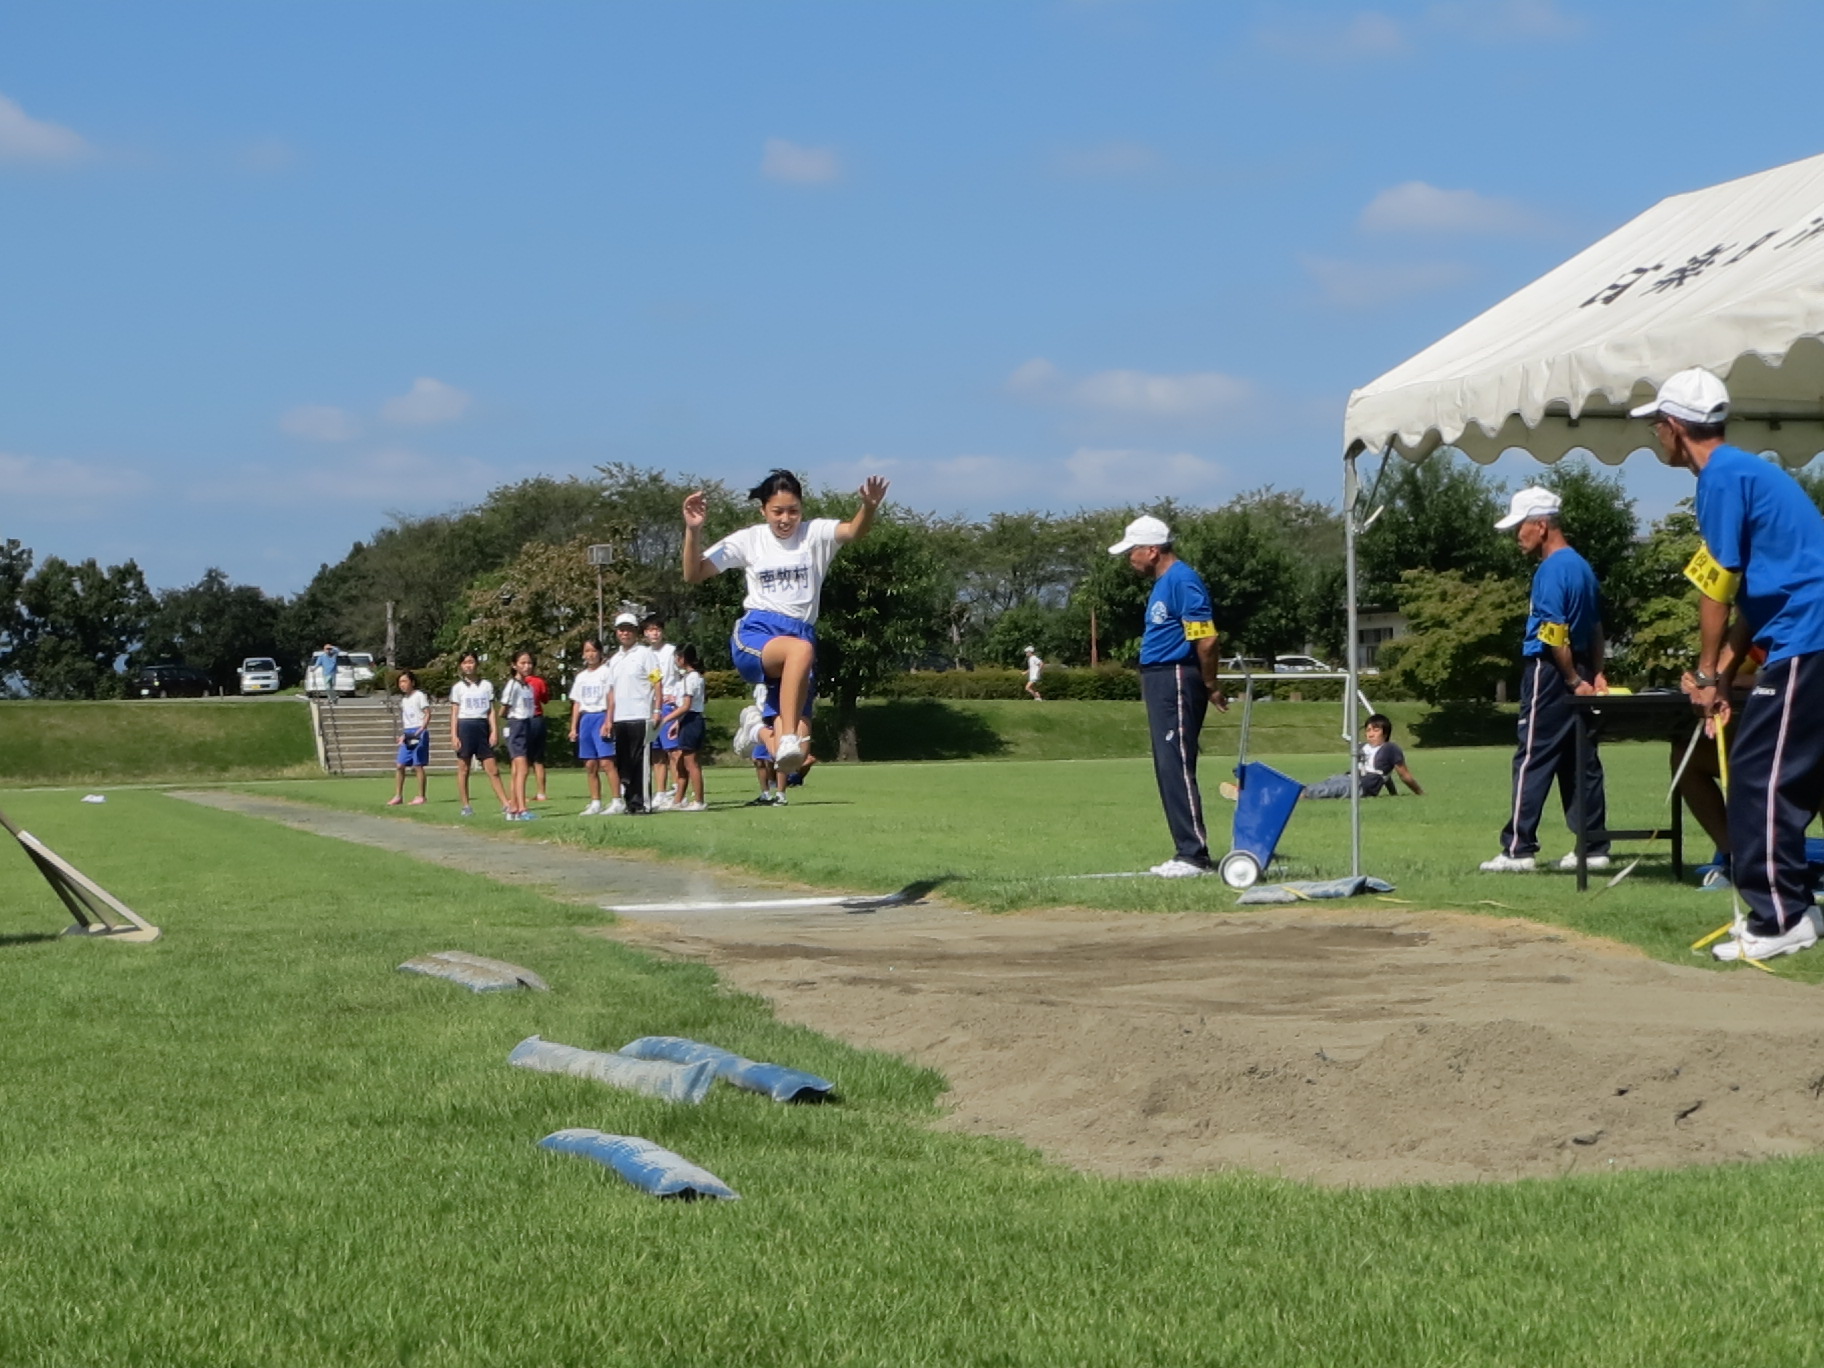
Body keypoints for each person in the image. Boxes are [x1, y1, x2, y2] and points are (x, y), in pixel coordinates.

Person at [1638, 366, 1824, 960]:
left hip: (1809, 633)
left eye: (1655, 429)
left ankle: (1780, 920)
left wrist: (1709, 674)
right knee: (1781, 774)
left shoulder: (1719, 477)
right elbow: (1752, 602)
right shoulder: (1743, 470)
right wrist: (1722, 670)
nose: (1654, 439)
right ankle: (1795, 906)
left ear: (1672, 428)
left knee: (1757, 777)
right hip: (1798, 630)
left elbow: (1717, 587)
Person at [682, 469, 889, 776]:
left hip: (800, 634)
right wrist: (693, 531)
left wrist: (869, 508)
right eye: (777, 511)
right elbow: (693, 574)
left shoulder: (814, 535)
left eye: (793, 511)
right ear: (763, 510)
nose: (785, 518)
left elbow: (853, 531)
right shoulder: (750, 540)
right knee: (800, 651)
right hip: (758, 633)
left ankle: (756, 729)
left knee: (796, 755)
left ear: (802, 510)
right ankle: (786, 734)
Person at [1478, 487, 1610, 874]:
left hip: (1552, 672)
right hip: (1581, 666)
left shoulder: (1551, 569)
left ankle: (1518, 849)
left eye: (1520, 526)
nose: (1517, 535)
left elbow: (1554, 630)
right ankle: (1594, 845)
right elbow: (1597, 626)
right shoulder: (1582, 566)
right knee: (1579, 760)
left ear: (1540, 525)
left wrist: (1571, 679)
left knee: (1532, 756)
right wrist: (1595, 672)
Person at [1110, 515, 1227, 877]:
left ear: (1152, 550)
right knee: (1167, 765)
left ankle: (1194, 855)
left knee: (1174, 763)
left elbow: (1206, 638)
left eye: (1132, 551)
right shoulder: (1164, 584)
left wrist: (1210, 684)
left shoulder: (1182, 580)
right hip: (1161, 678)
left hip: (1177, 675)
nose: (1129, 558)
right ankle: (1185, 851)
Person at [604, 612, 663, 815]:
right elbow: (611, 691)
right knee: (624, 764)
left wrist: (657, 710)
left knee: (640, 762)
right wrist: (608, 719)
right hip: (621, 717)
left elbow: (656, 682)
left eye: (629, 629)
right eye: (621, 629)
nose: (625, 633)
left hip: (641, 714)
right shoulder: (614, 659)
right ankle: (630, 802)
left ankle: (642, 803)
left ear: (635, 631)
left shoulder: (646, 654)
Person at [1297, 714, 1423, 800]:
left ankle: (1297, 795)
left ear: (1385, 732)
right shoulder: (1362, 747)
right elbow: (1386, 775)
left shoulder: (1390, 748)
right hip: (1348, 777)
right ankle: (1295, 791)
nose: (1371, 734)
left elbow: (1403, 775)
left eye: (1375, 730)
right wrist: (1393, 794)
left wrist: (1419, 792)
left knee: (1330, 790)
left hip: (1362, 785)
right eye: (1368, 730)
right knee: (1327, 783)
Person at [449, 651, 510, 818]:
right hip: (465, 726)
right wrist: (454, 735)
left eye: (471, 662)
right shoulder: (458, 688)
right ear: (461, 666)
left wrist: (494, 732)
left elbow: (491, 711)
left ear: (477, 664)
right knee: (464, 768)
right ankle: (466, 805)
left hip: (482, 726)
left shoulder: (486, 686)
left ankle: (505, 803)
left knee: (493, 768)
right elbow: (454, 712)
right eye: (465, 662)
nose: (469, 665)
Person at [567, 637, 616, 816]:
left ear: (600, 653)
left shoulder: (606, 672)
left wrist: (608, 721)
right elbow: (577, 703)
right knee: (590, 764)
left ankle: (617, 799)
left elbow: (611, 698)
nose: (591, 654)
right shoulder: (581, 677)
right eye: (587, 651)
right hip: (586, 719)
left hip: (601, 716)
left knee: (607, 762)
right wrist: (574, 727)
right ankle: (595, 801)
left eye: (594, 650)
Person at [664, 644, 708, 811]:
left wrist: (666, 719)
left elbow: (686, 706)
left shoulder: (692, 678)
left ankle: (699, 800)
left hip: (692, 720)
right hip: (686, 720)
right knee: (681, 762)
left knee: (691, 763)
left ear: (682, 658)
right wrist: (677, 723)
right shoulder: (687, 678)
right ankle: (678, 799)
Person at [643, 614, 681, 811]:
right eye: (650, 630)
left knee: (672, 751)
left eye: (657, 629)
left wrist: (676, 697)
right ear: (645, 633)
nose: (654, 633)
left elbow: (681, 675)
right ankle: (660, 792)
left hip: (668, 704)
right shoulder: (645, 654)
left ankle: (679, 789)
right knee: (656, 752)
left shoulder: (671, 651)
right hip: (650, 706)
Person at [500, 650, 540, 822]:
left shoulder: (528, 686)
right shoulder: (513, 685)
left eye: (529, 663)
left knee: (518, 770)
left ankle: (514, 807)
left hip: (527, 725)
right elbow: (504, 709)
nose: (526, 666)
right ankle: (522, 808)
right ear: (514, 665)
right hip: (516, 725)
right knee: (522, 768)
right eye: (522, 663)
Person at [387, 669, 431, 807]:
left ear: (412, 682)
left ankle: (421, 796)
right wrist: (404, 735)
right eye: (400, 682)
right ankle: (398, 795)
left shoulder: (419, 696)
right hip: (408, 733)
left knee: (418, 765)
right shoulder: (404, 700)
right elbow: (407, 719)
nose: (402, 684)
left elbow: (427, 713)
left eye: (405, 681)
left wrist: (421, 729)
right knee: (400, 765)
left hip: (418, 731)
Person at [524, 658, 550, 802]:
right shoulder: (539, 682)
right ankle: (541, 793)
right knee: (538, 760)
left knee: (524, 760)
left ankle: (520, 792)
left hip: (526, 720)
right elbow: (545, 699)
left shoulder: (517, 683)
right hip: (538, 720)